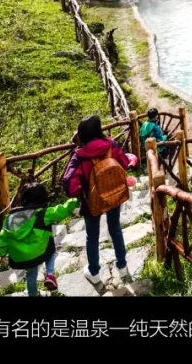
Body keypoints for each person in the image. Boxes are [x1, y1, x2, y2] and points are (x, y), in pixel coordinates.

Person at [62, 114, 139, 290]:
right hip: (114, 195)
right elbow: (125, 163)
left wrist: (83, 187)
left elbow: (69, 187)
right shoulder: (111, 146)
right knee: (115, 229)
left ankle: (95, 273)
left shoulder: (79, 157)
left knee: (92, 237)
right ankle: (122, 266)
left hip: (92, 201)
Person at [0, 183, 79, 297]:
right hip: (39, 251)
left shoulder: (11, 217)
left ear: (24, 198)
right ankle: (50, 274)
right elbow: (62, 210)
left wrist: (1, 252)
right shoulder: (44, 213)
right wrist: (76, 200)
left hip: (20, 257)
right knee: (51, 249)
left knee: (31, 273)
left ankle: (33, 294)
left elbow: (3, 235)